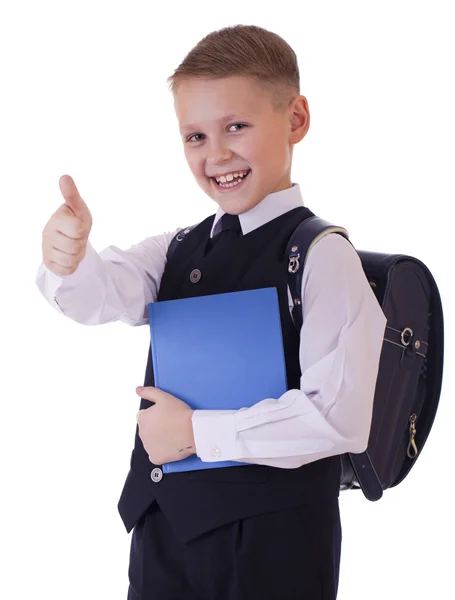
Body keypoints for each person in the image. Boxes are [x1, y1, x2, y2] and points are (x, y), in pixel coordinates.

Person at [36, 24, 387, 600]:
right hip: (164, 537)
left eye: (237, 127)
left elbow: (338, 417)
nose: (216, 154)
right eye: (195, 136)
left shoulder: (322, 256)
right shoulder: (176, 248)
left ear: (296, 119)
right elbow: (99, 293)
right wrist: (67, 260)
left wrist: (197, 433)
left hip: (275, 551)